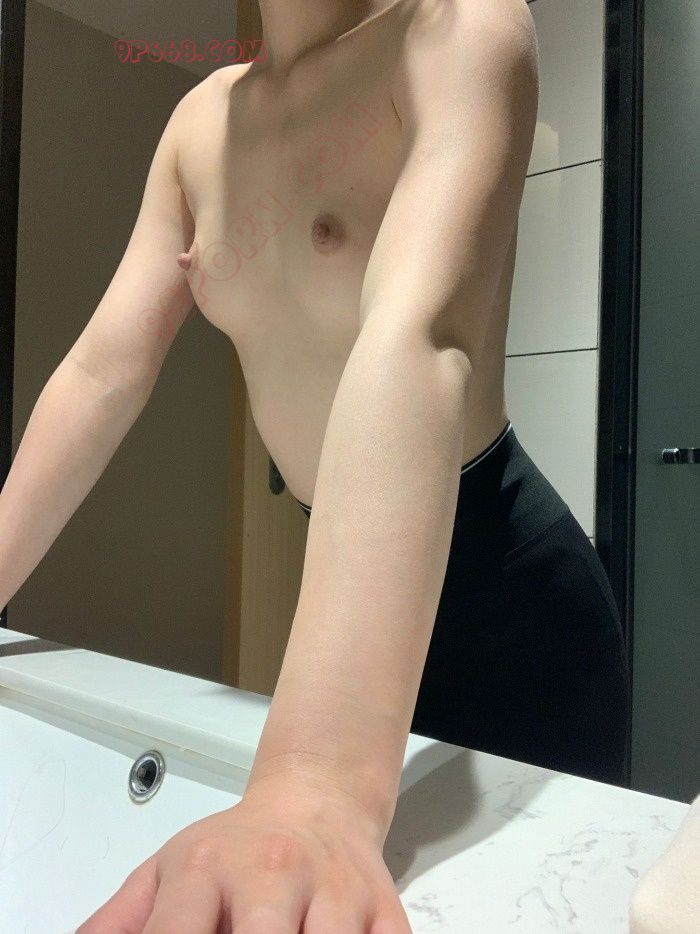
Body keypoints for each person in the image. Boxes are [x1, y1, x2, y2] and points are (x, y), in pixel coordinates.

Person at [0, 0, 630, 930]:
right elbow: (103, 373)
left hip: (512, 607)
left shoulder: (458, 28)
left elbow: (417, 341)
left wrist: (315, 784)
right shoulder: (199, 123)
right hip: (354, 589)